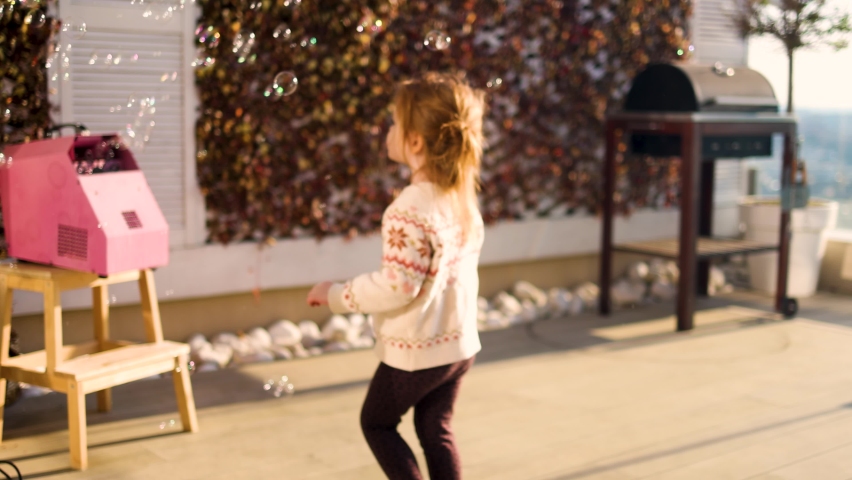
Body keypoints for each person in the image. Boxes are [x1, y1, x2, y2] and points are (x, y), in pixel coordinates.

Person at [306, 71, 486, 480]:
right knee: (434, 429)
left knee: (377, 423)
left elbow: (398, 286)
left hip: (417, 352)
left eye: (394, 123)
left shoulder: (409, 207)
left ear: (416, 141)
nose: (388, 130)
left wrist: (336, 294)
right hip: (457, 347)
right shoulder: (460, 198)